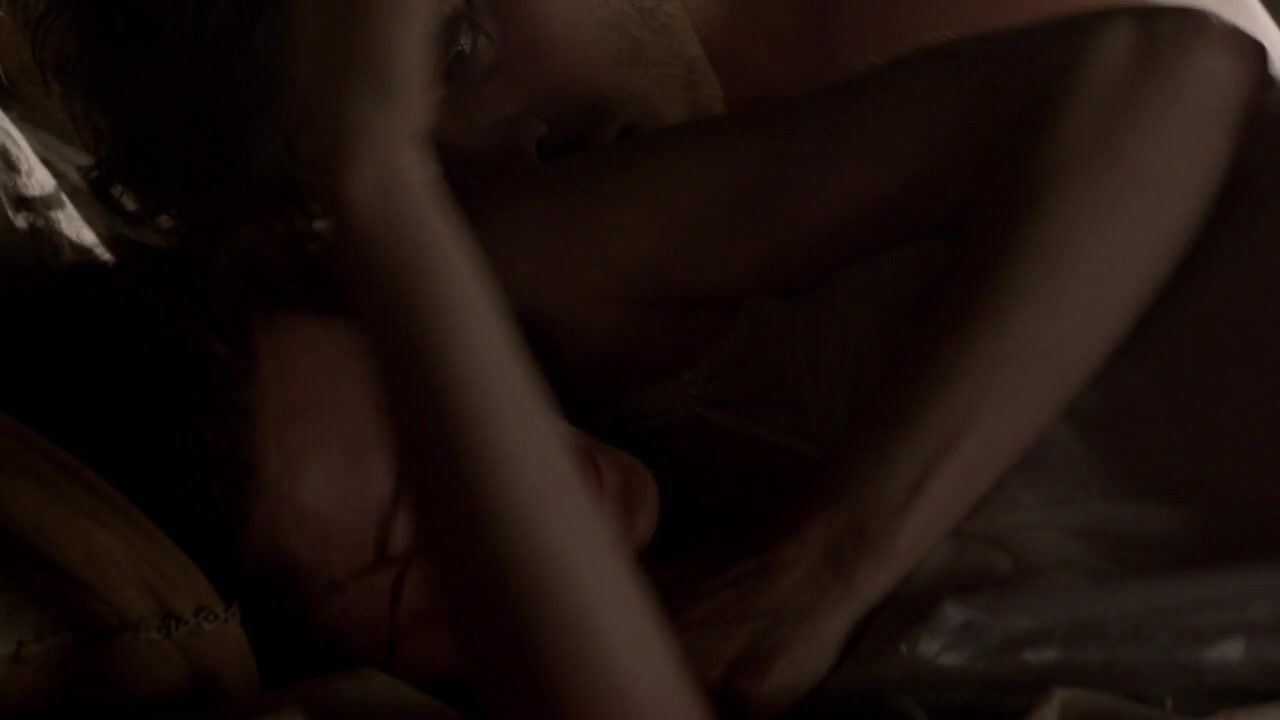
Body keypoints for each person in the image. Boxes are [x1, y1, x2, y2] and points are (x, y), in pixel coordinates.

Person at [7, 0, 1280, 716]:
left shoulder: (535, 278)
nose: (509, 482)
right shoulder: (631, 645)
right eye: (423, 533)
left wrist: (835, 558)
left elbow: (1169, 69)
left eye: (438, 414)